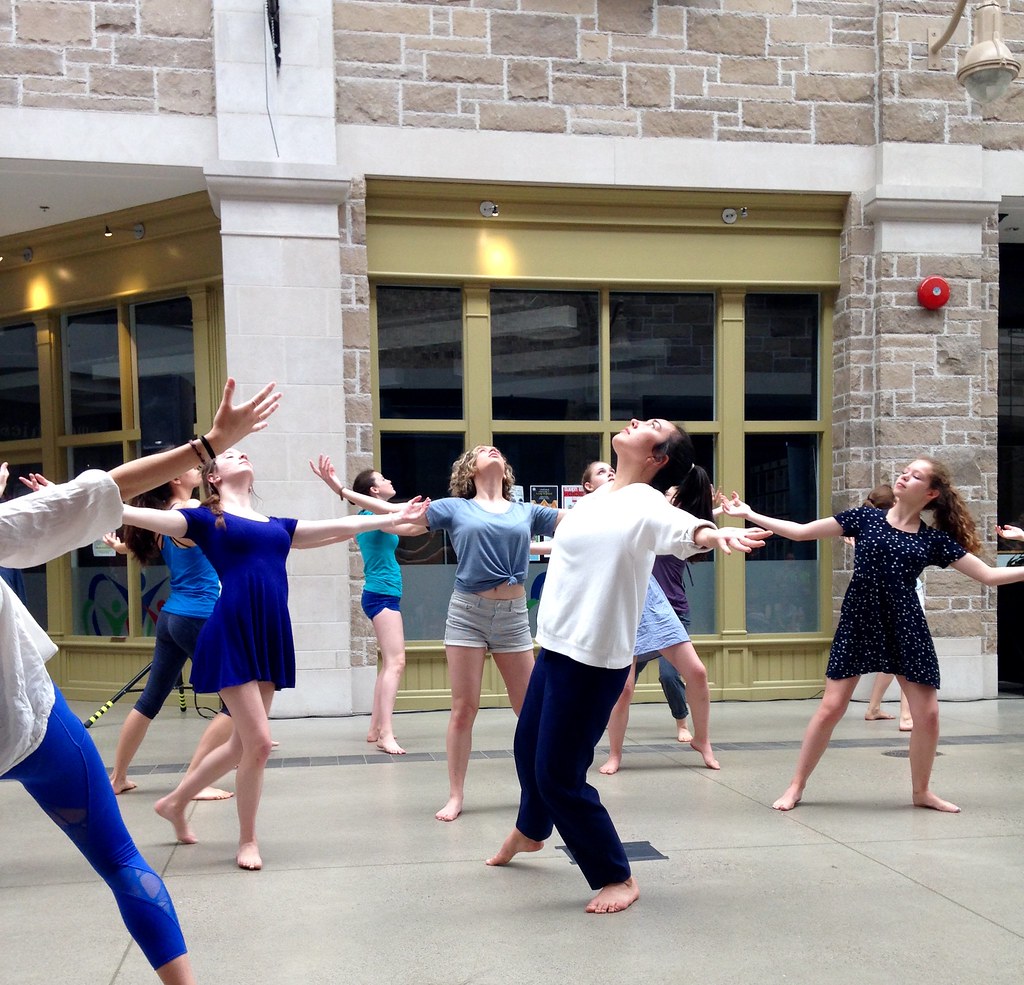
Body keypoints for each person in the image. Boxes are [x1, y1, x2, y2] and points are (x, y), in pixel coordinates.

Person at [0, 376, 281, 985]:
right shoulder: (197, 515)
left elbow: (107, 507)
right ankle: (183, 794)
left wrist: (79, 510)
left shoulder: (189, 515)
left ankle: (138, 778)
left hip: (172, 619)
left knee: (158, 701)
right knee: (239, 732)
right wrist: (209, 443)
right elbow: (108, 494)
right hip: (36, 722)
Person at [485, 418, 769, 914]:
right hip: (555, 646)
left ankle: (616, 875)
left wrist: (710, 534)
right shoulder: (595, 500)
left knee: (558, 775)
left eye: (651, 425)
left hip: (593, 661)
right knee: (527, 746)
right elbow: (574, 550)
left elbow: (678, 528)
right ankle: (531, 831)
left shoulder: (644, 500)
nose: (636, 420)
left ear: (657, 458)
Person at [124, 449, 429, 869]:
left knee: (240, 745)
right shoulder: (202, 520)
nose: (241, 452)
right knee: (260, 743)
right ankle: (247, 839)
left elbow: (335, 527)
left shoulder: (275, 526)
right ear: (213, 478)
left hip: (268, 634)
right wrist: (80, 498)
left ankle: (175, 802)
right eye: (229, 454)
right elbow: (139, 516)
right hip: (231, 632)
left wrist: (388, 518)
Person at [721, 456, 1024, 814]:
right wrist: (749, 513)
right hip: (859, 619)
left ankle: (922, 791)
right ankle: (795, 786)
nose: (903, 476)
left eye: (914, 476)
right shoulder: (864, 518)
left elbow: (989, 576)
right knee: (831, 707)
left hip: (906, 623)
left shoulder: (933, 541)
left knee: (928, 715)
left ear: (930, 493)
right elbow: (801, 532)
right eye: (904, 471)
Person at [330, 445, 561, 822]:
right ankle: (455, 795)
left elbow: (580, 521)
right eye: (483, 450)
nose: (492, 450)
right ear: (470, 470)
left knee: (530, 709)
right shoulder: (456, 507)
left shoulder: (526, 511)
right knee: (463, 709)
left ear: (506, 470)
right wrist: (344, 492)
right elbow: (395, 514)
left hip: (513, 615)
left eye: (497, 450)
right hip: (468, 612)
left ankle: (541, 788)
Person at [572, 462, 718, 775]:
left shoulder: (637, 501)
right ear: (586, 486)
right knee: (622, 689)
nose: (609, 473)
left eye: (611, 470)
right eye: (600, 472)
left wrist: (709, 511)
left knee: (697, 672)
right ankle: (614, 754)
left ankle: (702, 739)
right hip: (620, 601)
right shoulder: (585, 513)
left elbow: (676, 523)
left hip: (652, 599)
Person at [104, 468, 236, 798]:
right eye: (192, 469)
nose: (197, 471)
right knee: (236, 700)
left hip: (171, 617)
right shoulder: (190, 509)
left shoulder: (165, 518)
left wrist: (120, 548)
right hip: (198, 617)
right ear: (175, 480)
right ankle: (196, 783)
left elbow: (145, 542)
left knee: (151, 698)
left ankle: (117, 778)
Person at [309, 463, 408, 755]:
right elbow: (392, 517)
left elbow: (409, 526)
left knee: (389, 663)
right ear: (374, 490)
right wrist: (340, 489)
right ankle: (386, 734)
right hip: (381, 595)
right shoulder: (374, 515)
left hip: (382, 594)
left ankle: (375, 727)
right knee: (396, 662)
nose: (390, 479)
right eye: (384, 478)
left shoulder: (372, 517)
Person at [858, 483, 916, 731]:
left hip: (888, 598)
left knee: (894, 658)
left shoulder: (868, 525)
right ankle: (906, 715)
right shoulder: (878, 524)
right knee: (906, 656)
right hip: (901, 598)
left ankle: (874, 707)